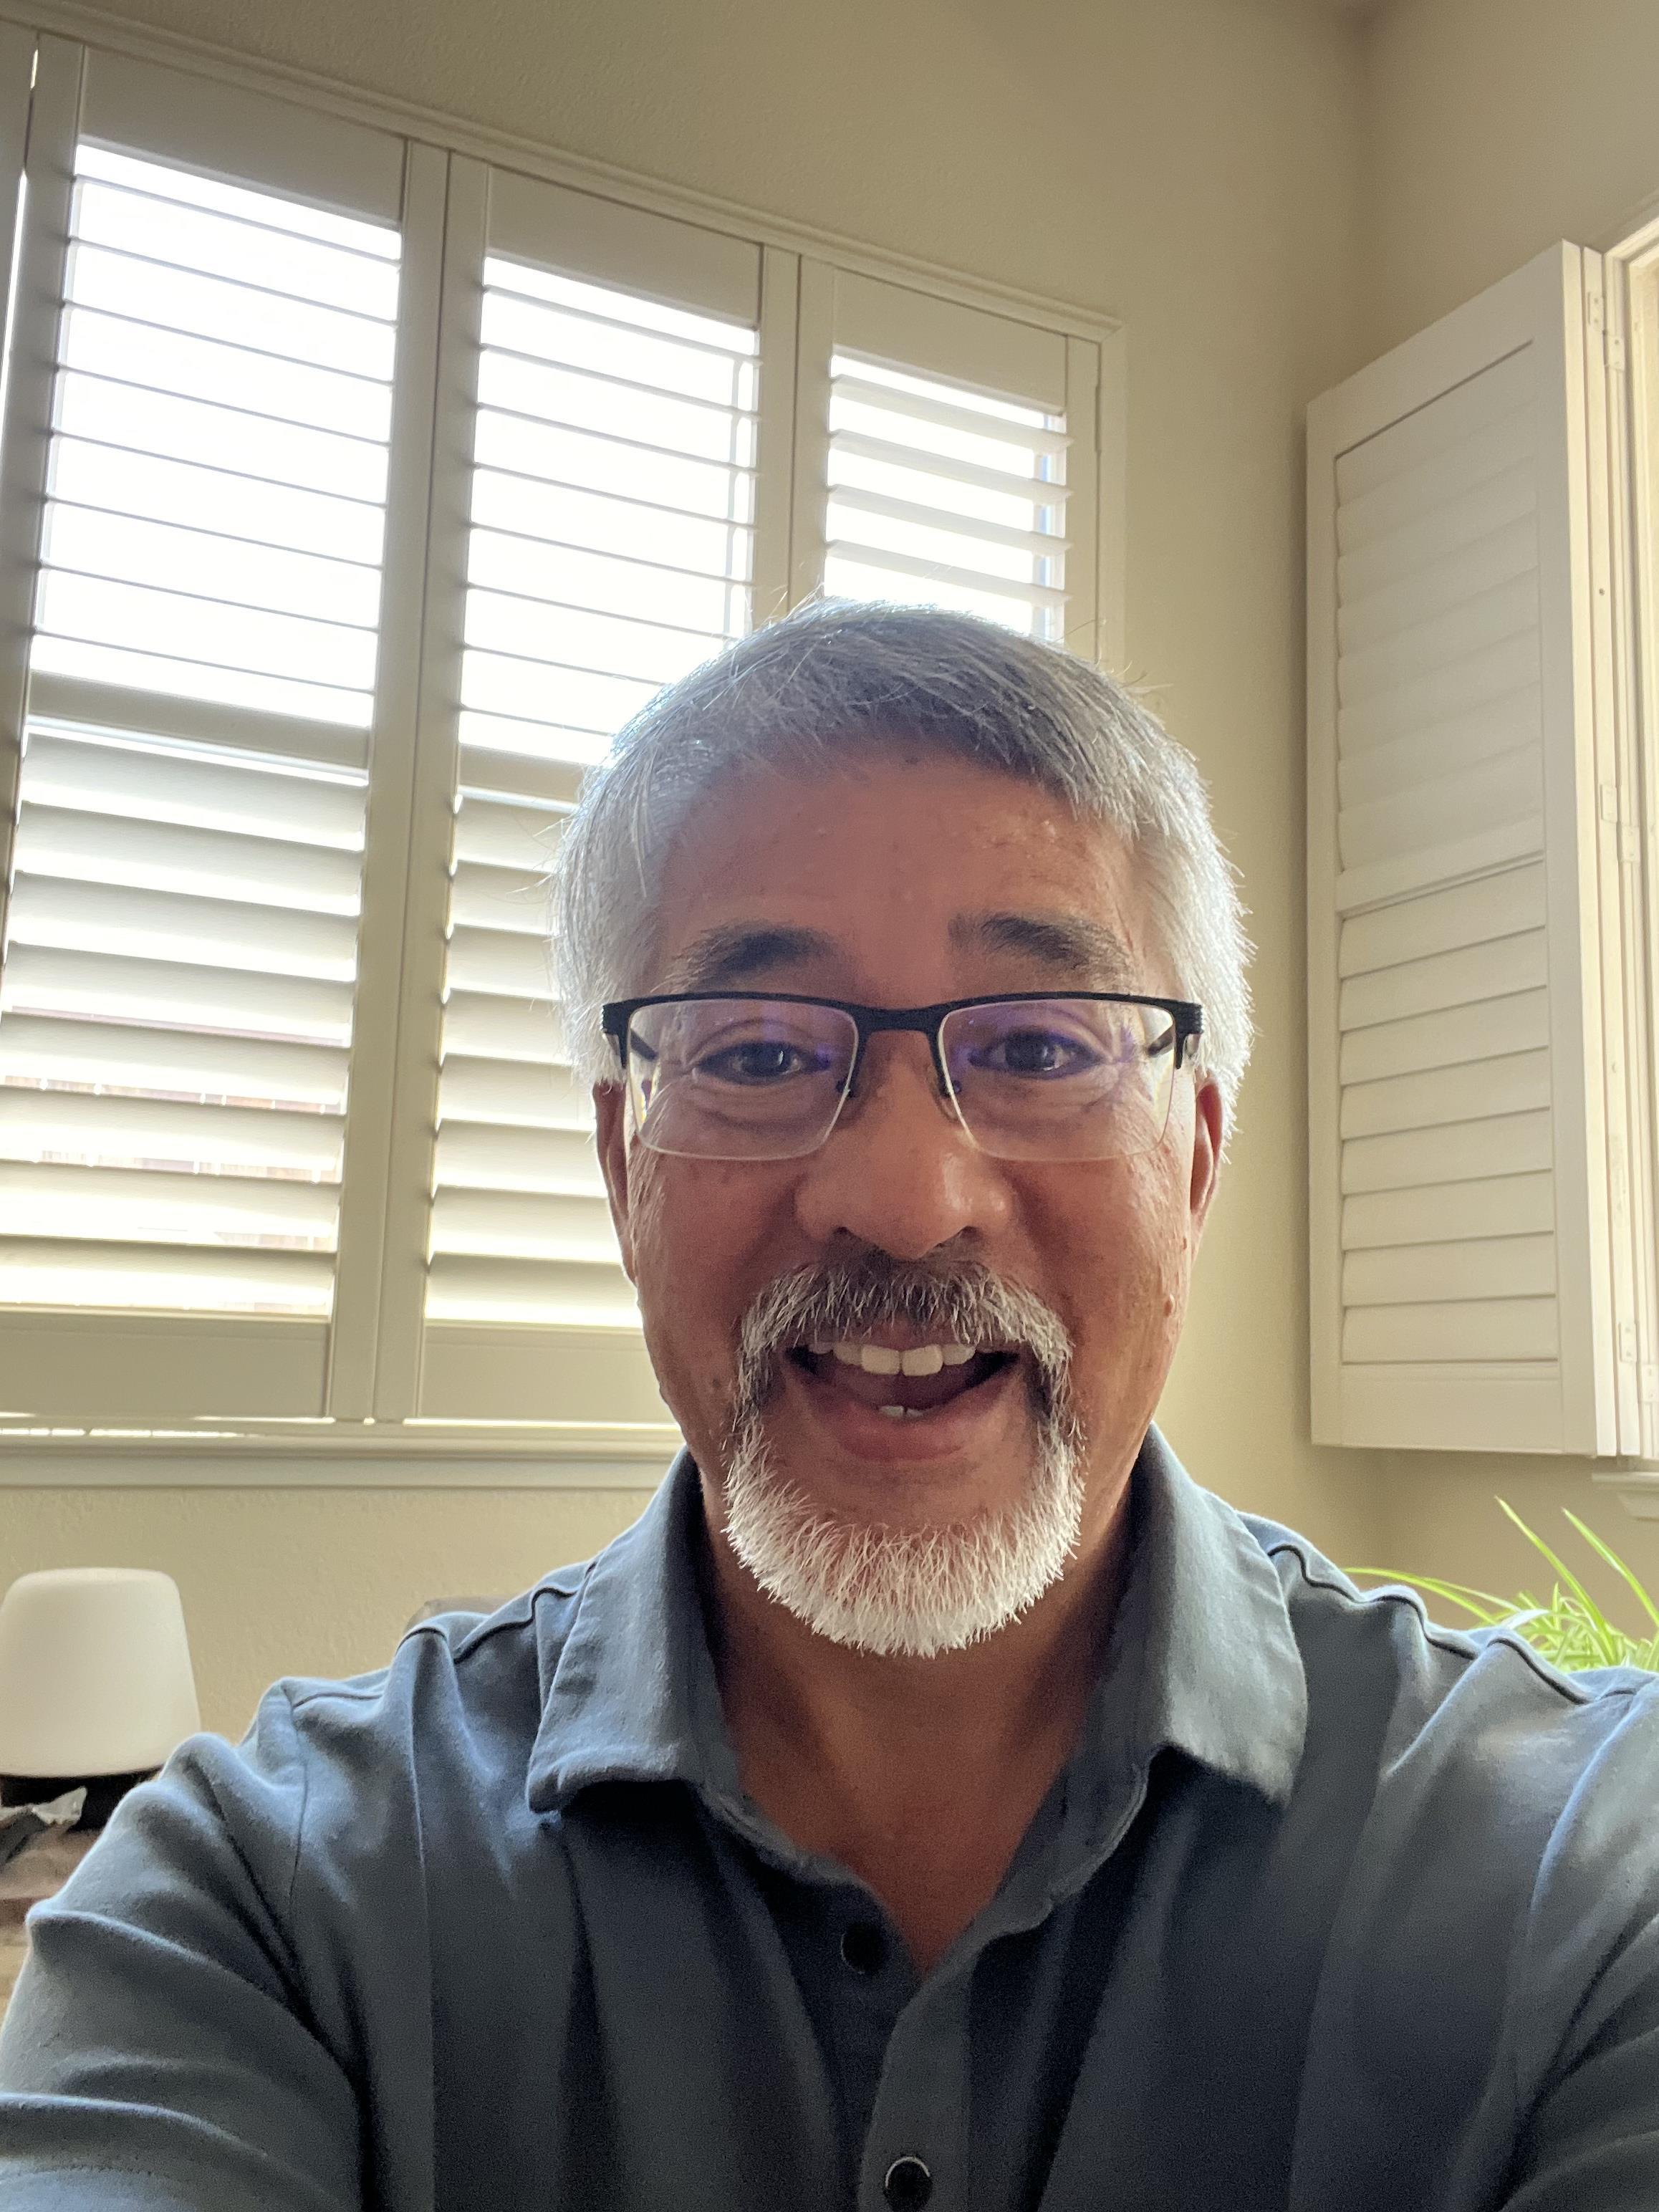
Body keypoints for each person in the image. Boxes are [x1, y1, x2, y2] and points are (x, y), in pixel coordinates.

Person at [2, 602, 1657, 2212]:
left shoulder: (1591, 1890)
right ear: (618, 1160)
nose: (904, 1194)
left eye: (1035, 1042)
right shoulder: (268, 1904)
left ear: (1197, 1158)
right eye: (759, 1052)